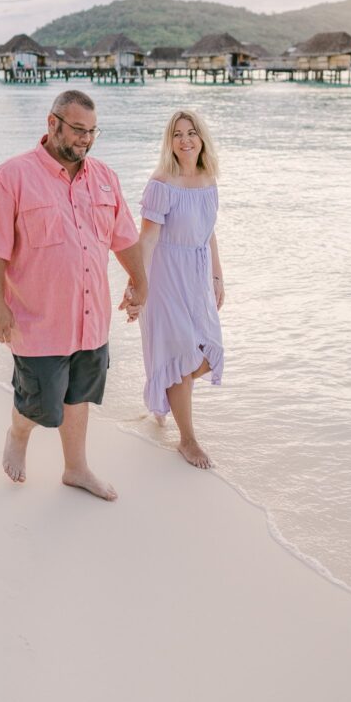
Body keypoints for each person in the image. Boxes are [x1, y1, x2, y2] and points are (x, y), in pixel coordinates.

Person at [0, 89, 146, 501]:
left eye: (92, 131)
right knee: (41, 404)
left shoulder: (105, 177)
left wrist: (139, 282)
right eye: (77, 130)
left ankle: (76, 469)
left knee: (80, 395)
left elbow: (124, 238)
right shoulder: (10, 177)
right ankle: (19, 432)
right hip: (38, 320)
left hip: (91, 318)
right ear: (52, 124)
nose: (85, 139)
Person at [135, 110, 224, 469]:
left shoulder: (207, 178)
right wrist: (138, 282)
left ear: (202, 138)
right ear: (169, 142)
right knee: (182, 355)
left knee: (205, 350)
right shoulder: (161, 183)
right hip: (166, 276)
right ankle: (187, 440)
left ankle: (164, 390)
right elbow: (147, 238)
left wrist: (217, 277)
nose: (185, 140)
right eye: (177, 134)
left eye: (191, 132)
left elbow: (209, 230)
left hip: (198, 275)